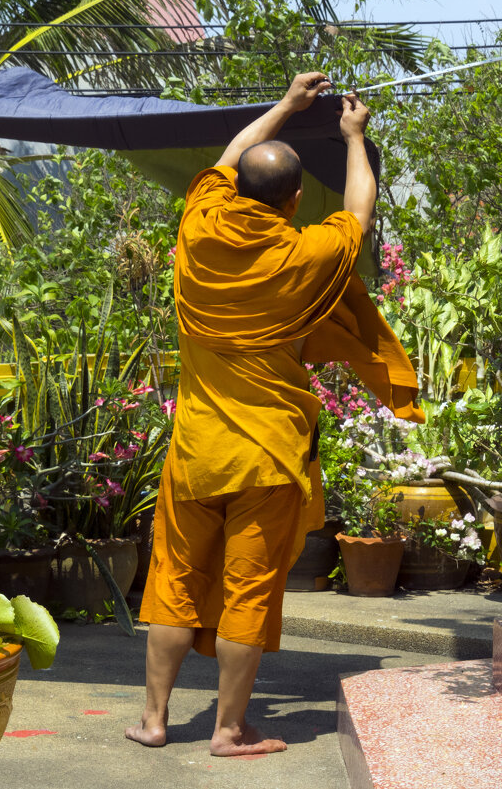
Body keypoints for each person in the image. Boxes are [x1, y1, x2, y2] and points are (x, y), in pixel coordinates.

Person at [126, 71, 423, 757]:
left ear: (239, 193)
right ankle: (228, 729)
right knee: (247, 591)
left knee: (173, 580)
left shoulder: (198, 228)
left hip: (195, 450)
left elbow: (229, 156)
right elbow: (359, 209)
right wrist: (354, 137)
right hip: (267, 457)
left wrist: (286, 106)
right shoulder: (304, 254)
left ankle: (153, 719)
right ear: (292, 202)